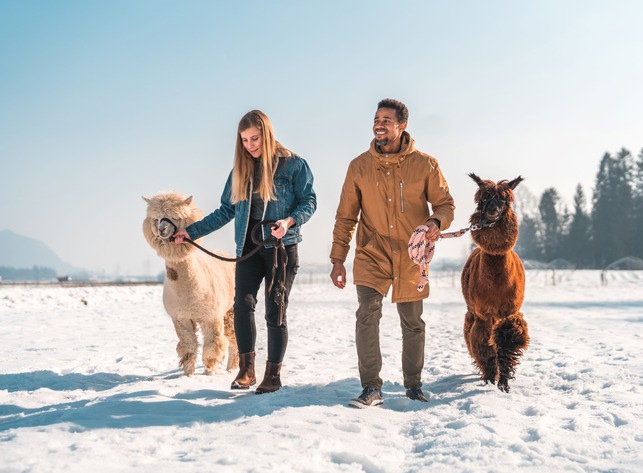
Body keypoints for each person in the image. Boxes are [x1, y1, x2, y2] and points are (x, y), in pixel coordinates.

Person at [173, 110, 317, 394]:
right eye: (245, 140)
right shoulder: (241, 170)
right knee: (242, 306)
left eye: (255, 138)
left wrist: (288, 222)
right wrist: (191, 232)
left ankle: (272, 375)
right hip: (248, 250)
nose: (250, 145)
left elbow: (309, 201)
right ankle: (246, 370)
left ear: (267, 133)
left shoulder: (294, 165)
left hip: (281, 249)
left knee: (275, 312)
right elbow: (226, 210)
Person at [329, 98, 455, 407]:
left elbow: (445, 204)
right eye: (376, 118)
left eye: (387, 119)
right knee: (367, 314)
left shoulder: (426, 164)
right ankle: (371, 387)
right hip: (372, 252)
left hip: (412, 255)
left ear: (402, 125)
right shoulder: (359, 166)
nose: (379, 123)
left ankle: (413, 385)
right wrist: (337, 259)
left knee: (412, 321)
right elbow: (346, 216)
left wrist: (435, 222)